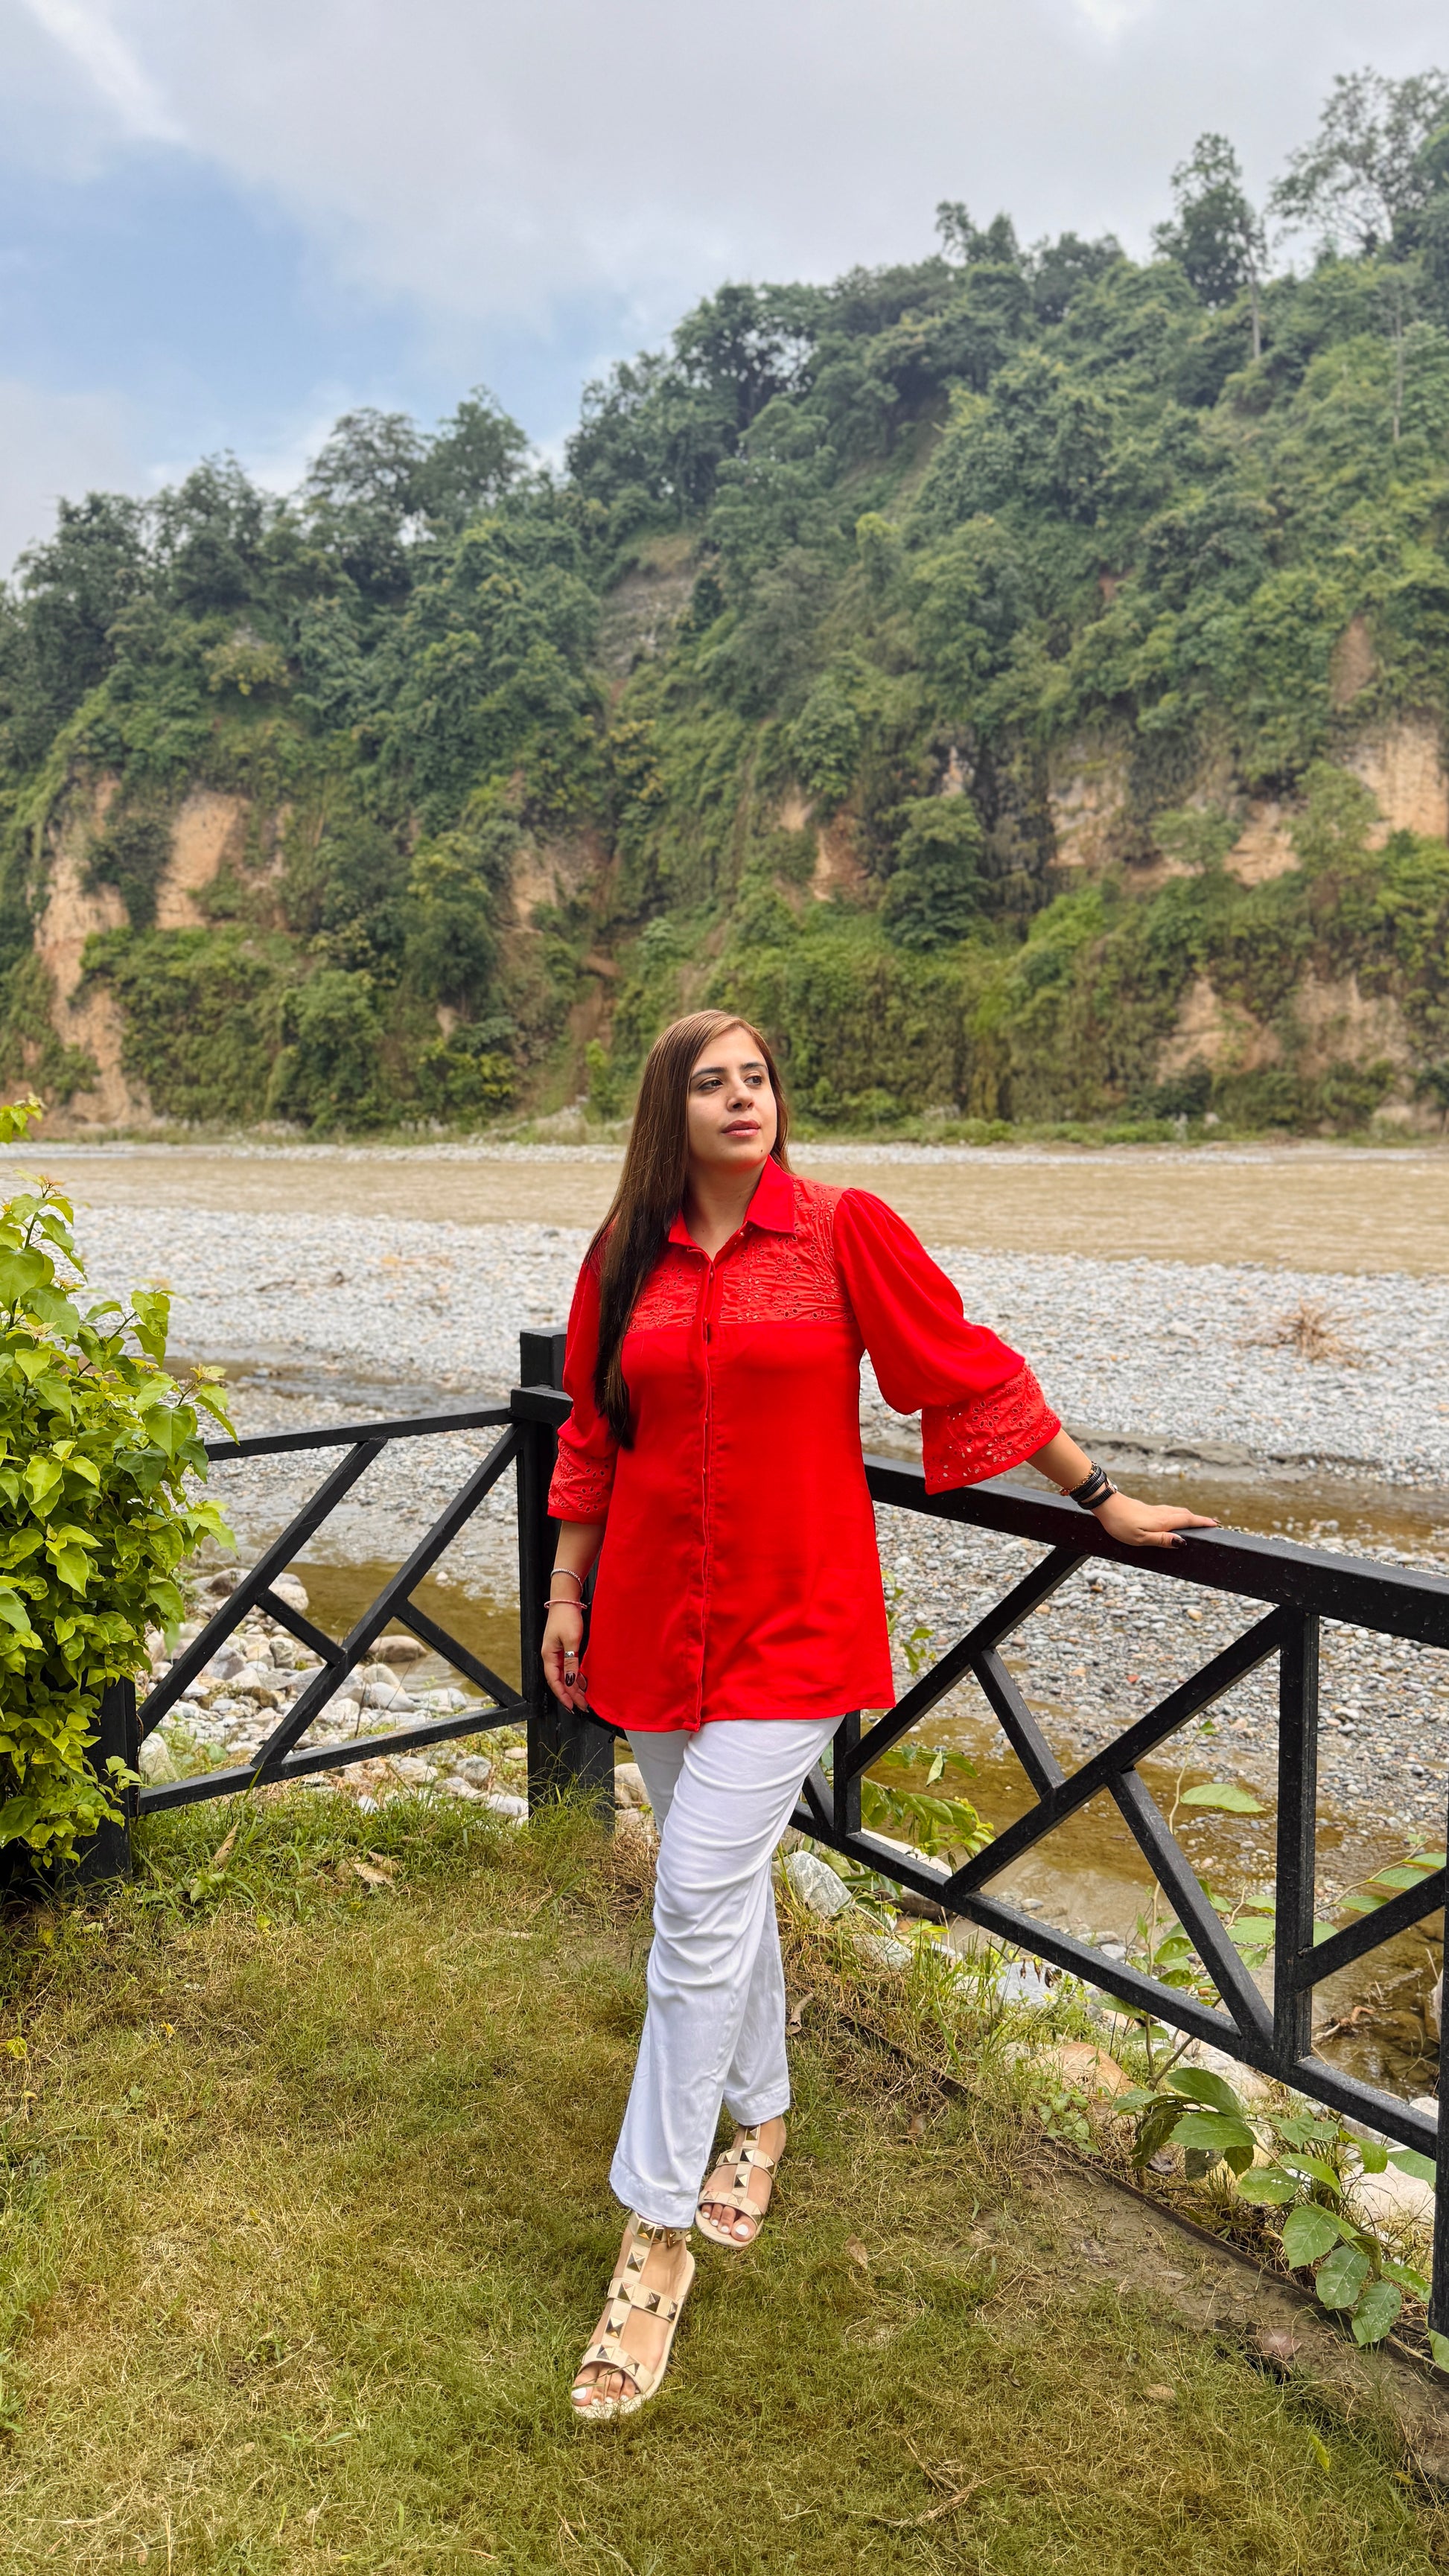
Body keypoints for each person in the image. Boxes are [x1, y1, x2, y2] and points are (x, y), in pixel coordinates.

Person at [541, 1010, 1213, 2419]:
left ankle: (652, 2238)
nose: (744, 1099)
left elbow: (962, 1366)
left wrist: (1100, 1498)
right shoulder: (621, 1258)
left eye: (758, 1078)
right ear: (669, 1112)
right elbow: (595, 1433)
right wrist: (563, 1594)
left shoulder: (842, 1230)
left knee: (691, 1898)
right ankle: (763, 2117)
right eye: (711, 1084)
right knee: (721, 1893)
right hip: (652, 1622)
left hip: (794, 1625)